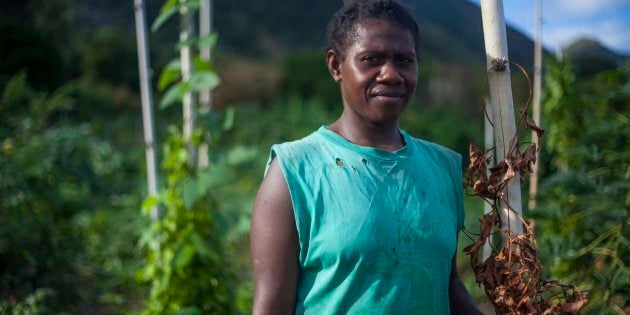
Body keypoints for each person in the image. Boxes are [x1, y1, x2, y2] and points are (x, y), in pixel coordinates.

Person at [250, 0, 481, 313]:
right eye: (371, 59)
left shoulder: (443, 166)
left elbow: (448, 285)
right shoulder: (294, 171)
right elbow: (271, 308)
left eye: (404, 60)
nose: (390, 74)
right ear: (336, 66)